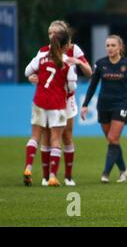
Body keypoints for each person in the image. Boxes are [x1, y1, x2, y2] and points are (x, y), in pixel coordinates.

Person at [27, 20, 92, 186]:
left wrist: (79, 63)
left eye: (54, 33)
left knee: (67, 136)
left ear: (64, 35)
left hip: (67, 99)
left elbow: (89, 72)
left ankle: (68, 177)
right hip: (52, 98)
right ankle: (46, 176)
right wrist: (32, 78)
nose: (51, 36)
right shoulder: (44, 51)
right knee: (47, 137)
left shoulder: (73, 49)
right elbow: (32, 73)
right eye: (49, 33)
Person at [80, 35, 127, 183]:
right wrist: (85, 105)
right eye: (108, 45)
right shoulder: (100, 64)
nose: (110, 48)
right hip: (103, 105)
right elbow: (92, 85)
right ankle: (123, 170)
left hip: (121, 105)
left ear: (120, 48)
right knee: (112, 141)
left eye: (113, 45)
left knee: (112, 138)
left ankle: (105, 174)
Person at [23, 27, 77, 186]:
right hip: (58, 104)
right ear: (66, 44)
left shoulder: (41, 57)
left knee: (35, 137)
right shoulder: (67, 61)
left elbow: (27, 72)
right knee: (55, 140)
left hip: (40, 101)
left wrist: (37, 78)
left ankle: (28, 167)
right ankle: (53, 176)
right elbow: (72, 88)